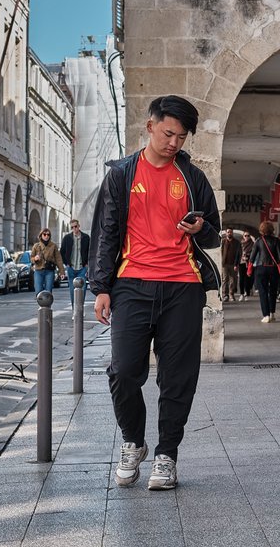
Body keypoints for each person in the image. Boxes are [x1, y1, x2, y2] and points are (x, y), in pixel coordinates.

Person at [88, 95, 222, 491]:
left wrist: (200, 229)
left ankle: (167, 455)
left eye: (181, 137)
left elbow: (213, 230)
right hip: (132, 283)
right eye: (168, 134)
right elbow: (106, 232)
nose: (174, 143)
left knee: (178, 376)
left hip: (184, 285)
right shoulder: (122, 175)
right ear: (150, 126)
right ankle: (133, 441)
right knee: (124, 371)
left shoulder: (192, 178)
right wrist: (101, 288)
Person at [249, 220, 280, 323]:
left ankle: (266, 315)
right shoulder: (276, 240)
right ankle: (272, 313)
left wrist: (250, 269)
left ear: (261, 230)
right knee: (273, 291)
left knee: (263, 292)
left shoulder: (259, 241)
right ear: (272, 229)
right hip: (273, 268)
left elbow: (252, 256)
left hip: (261, 268)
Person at [60, 220, 91, 307]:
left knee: (83, 289)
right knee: (72, 290)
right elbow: (62, 252)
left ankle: (80, 308)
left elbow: (90, 251)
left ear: (79, 226)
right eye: (72, 227)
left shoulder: (86, 237)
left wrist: (87, 264)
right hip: (71, 268)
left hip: (82, 267)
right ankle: (75, 310)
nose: (74, 229)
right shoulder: (67, 238)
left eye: (75, 226)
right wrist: (67, 263)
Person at [29, 228, 65, 293]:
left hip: (49, 271)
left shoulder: (53, 246)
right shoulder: (36, 246)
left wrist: (61, 272)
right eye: (44, 234)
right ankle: (40, 302)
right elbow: (31, 258)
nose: (46, 236)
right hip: (38, 270)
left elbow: (58, 259)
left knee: (48, 291)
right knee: (38, 290)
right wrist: (35, 258)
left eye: (48, 235)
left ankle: (47, 303)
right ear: (41, 235)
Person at [220, 229, 240, 303]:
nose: (229, 233)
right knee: (225, 279)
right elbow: (220, 252)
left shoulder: (237, 243)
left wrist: (236, 264)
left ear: (232, 233)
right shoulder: (223, 242)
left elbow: (239, 254)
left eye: (231, 232)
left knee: (233, 280)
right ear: (226, 233)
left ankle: (231, 294)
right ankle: (225, 295)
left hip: (233, 264)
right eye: (228, 232)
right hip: (224, 264)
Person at [238, 231, 255, 300]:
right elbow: (238, 253)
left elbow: (254, 253)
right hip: (241, 262)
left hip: (249, 263)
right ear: (243, 236)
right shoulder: (240, 244)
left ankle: (247, 293)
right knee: (241, 279)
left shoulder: (252, 244)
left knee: (248, 279)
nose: (247, 237)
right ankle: (241, 293)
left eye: (248, 235)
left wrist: (248, 256)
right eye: (245, 235)